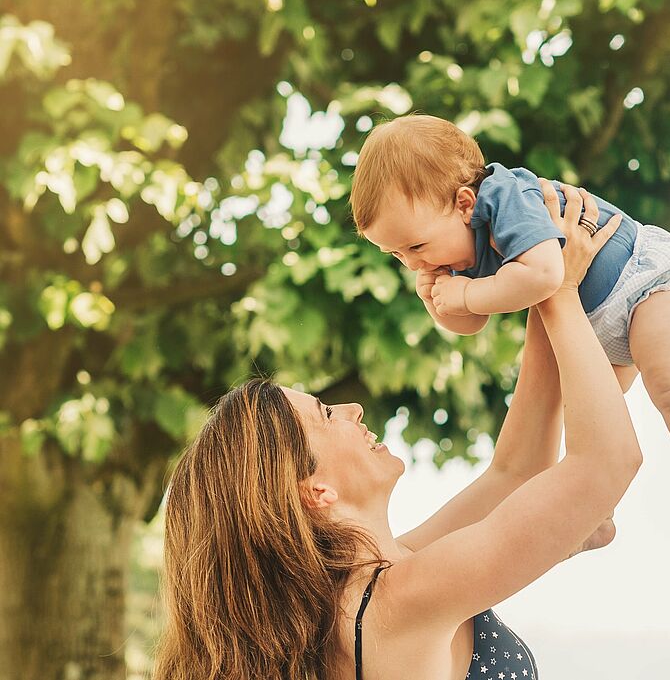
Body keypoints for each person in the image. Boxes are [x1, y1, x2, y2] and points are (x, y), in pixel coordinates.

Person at [152, 187, 641, 680]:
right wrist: (559, 292)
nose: (353, 408)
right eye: (326, 416)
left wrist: (539, 265)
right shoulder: (397, 601)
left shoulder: (369, 592)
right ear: (314, 490)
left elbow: (516, 474)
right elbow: (606, 462)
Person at [349, 114, 670, 545]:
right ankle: (595, 514)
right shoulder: (457, 243)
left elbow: (545, 274)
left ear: (464, 203)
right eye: (396, 254)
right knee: (589, 413)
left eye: (416, 246)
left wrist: (463, 295)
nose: (413, 262)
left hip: (644, 281)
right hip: (593, 317)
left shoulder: (505, 198)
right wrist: (438, 300)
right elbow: (473, 322)